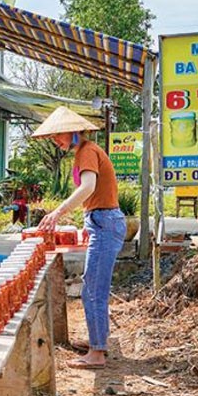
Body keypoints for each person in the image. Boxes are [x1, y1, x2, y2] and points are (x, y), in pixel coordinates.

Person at [33, 106, 126, 369]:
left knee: (93, 290)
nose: (56, 140)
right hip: (101, 220)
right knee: (93, 286)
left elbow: (88, 187)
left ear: (74, 132)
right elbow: (94, 195)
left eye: (59, 135)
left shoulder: (87, 151)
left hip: (105, 222)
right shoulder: (85, 152)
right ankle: (98, 341)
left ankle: (97, 353)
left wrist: (58, 213)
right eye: (53, 137)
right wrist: (86, 220)